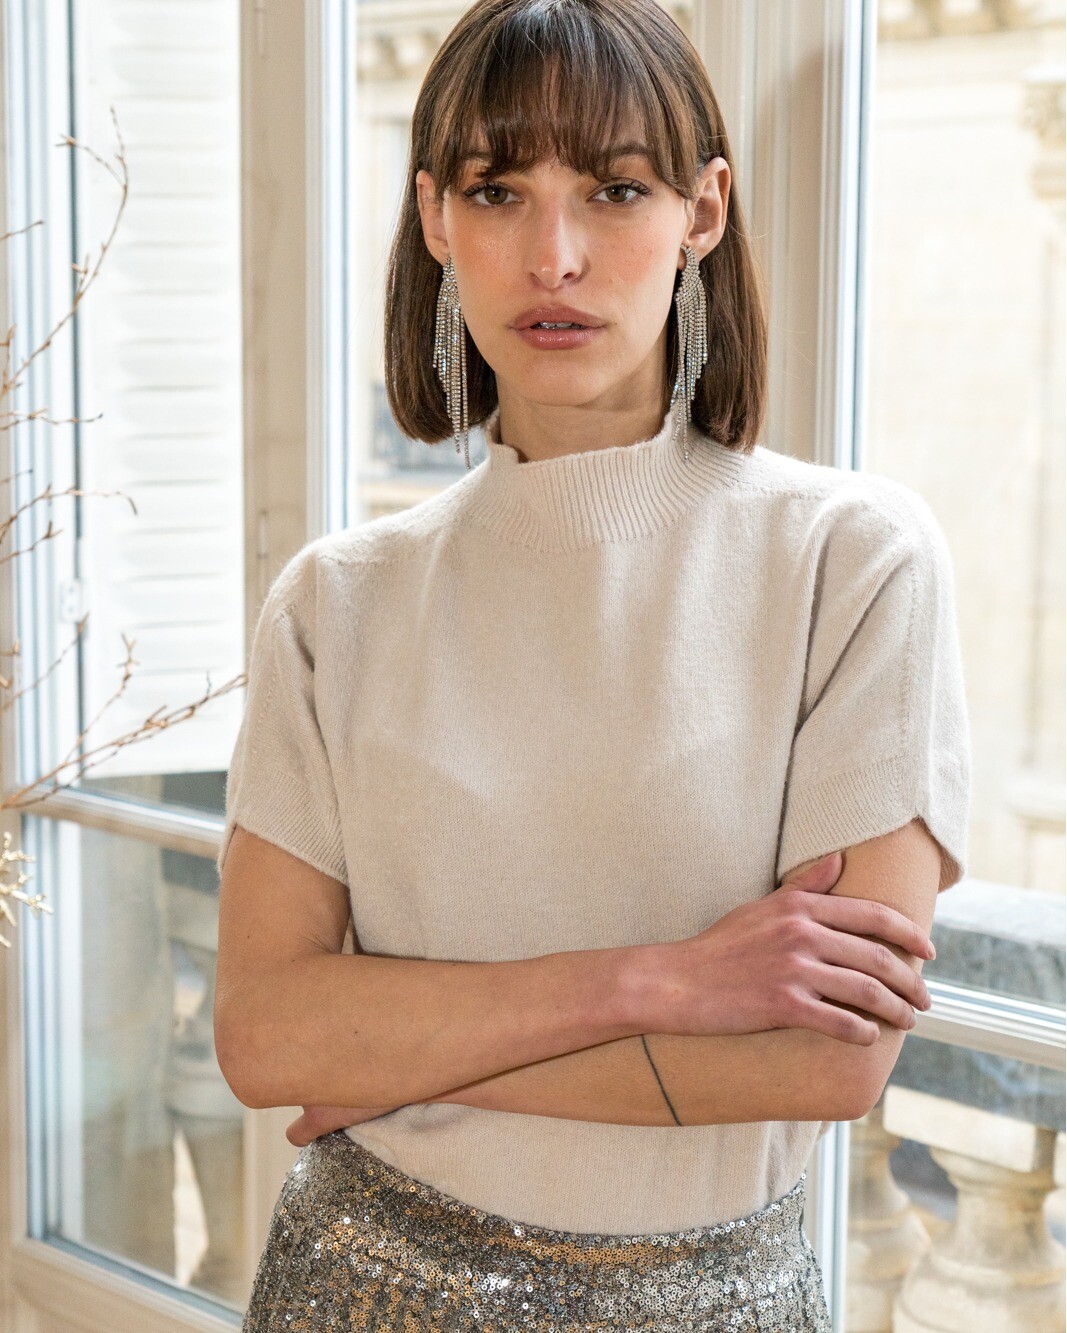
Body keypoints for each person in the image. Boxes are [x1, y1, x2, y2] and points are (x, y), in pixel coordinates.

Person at [214, 0, 972, 1327]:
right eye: (497, 191)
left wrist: (395, 1054)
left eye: (615, 190)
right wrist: (658, 982)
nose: (552, 257)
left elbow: (824, 1061)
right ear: (435, 217)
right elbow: (265, 1034)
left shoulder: (850, 561)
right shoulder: (337, 602)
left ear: (703, 210)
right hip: (356, 1291)